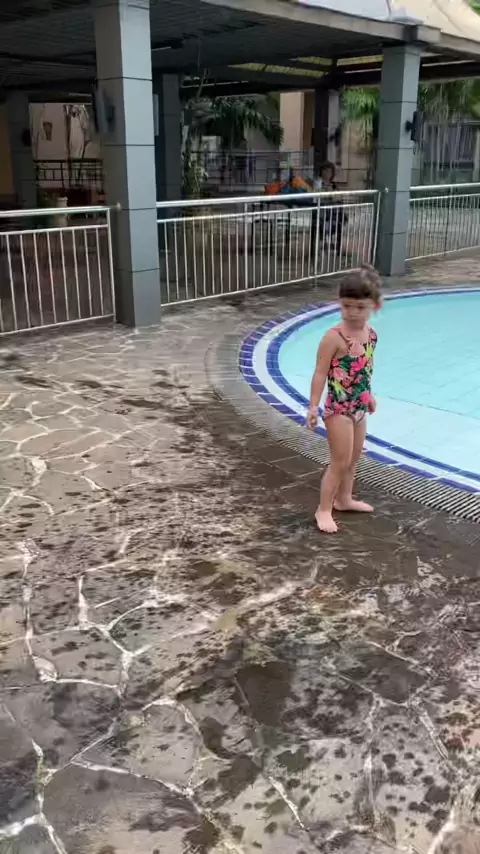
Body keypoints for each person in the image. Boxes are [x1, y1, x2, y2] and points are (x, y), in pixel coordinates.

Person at [306, 264, 382, 533]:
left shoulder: (371, 335)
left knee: (353, 458)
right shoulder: (333, 338)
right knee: (339, 461)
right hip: (338, 410)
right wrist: (313, 406)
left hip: (359, 407)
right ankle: (323, 509)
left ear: (374, 306)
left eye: (360, 307)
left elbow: (364, 368)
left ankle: (344, 499)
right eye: (346, 306)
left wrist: (368, 395)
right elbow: (319, 373)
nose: (352, 312)